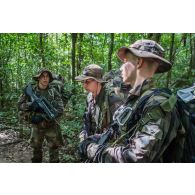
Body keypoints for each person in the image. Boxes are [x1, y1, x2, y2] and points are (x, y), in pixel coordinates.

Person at [79, 40, 185, 163]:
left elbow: (138, 157)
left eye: (125, 61)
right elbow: (119, 134)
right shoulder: (136, 100)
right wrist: (93, 139)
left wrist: (94, 150)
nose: (121, 67)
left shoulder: (157, 104)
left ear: (139, 62)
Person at [18, 68, 64, 163]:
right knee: (36, 151)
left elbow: (60, 109)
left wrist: (49, 115)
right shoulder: (31, 90)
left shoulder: (53, 92)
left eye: (47, 76)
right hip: (36, 126)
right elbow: (19, 105)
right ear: (38, 78)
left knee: (54, 152)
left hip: (51, 125)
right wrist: (30, 105)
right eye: (42, 76)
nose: (45, 79)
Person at [75, 64, 123, 142]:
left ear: (98, 81)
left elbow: (119, 131)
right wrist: (84, 132)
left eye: (88, 81)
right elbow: (87, 121)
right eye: (83, 81)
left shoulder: (112, 100)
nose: (84, 85)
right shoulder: (89, 97)